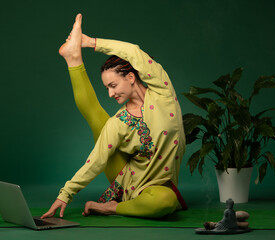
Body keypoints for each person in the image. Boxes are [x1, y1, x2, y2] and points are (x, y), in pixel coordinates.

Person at [41, 13, 187, 219]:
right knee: (97, 117)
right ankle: (73, 58)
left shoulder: (163, 95)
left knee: (166, 201)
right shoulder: (118, 121)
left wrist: (91, 42)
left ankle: (108, 207)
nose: (110, 94)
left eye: (113, 85)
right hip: (128, 181)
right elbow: (96, 161)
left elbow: (134, 53)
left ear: (130, 77)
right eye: (107, 88)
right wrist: (65, 194)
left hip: (158, 187)